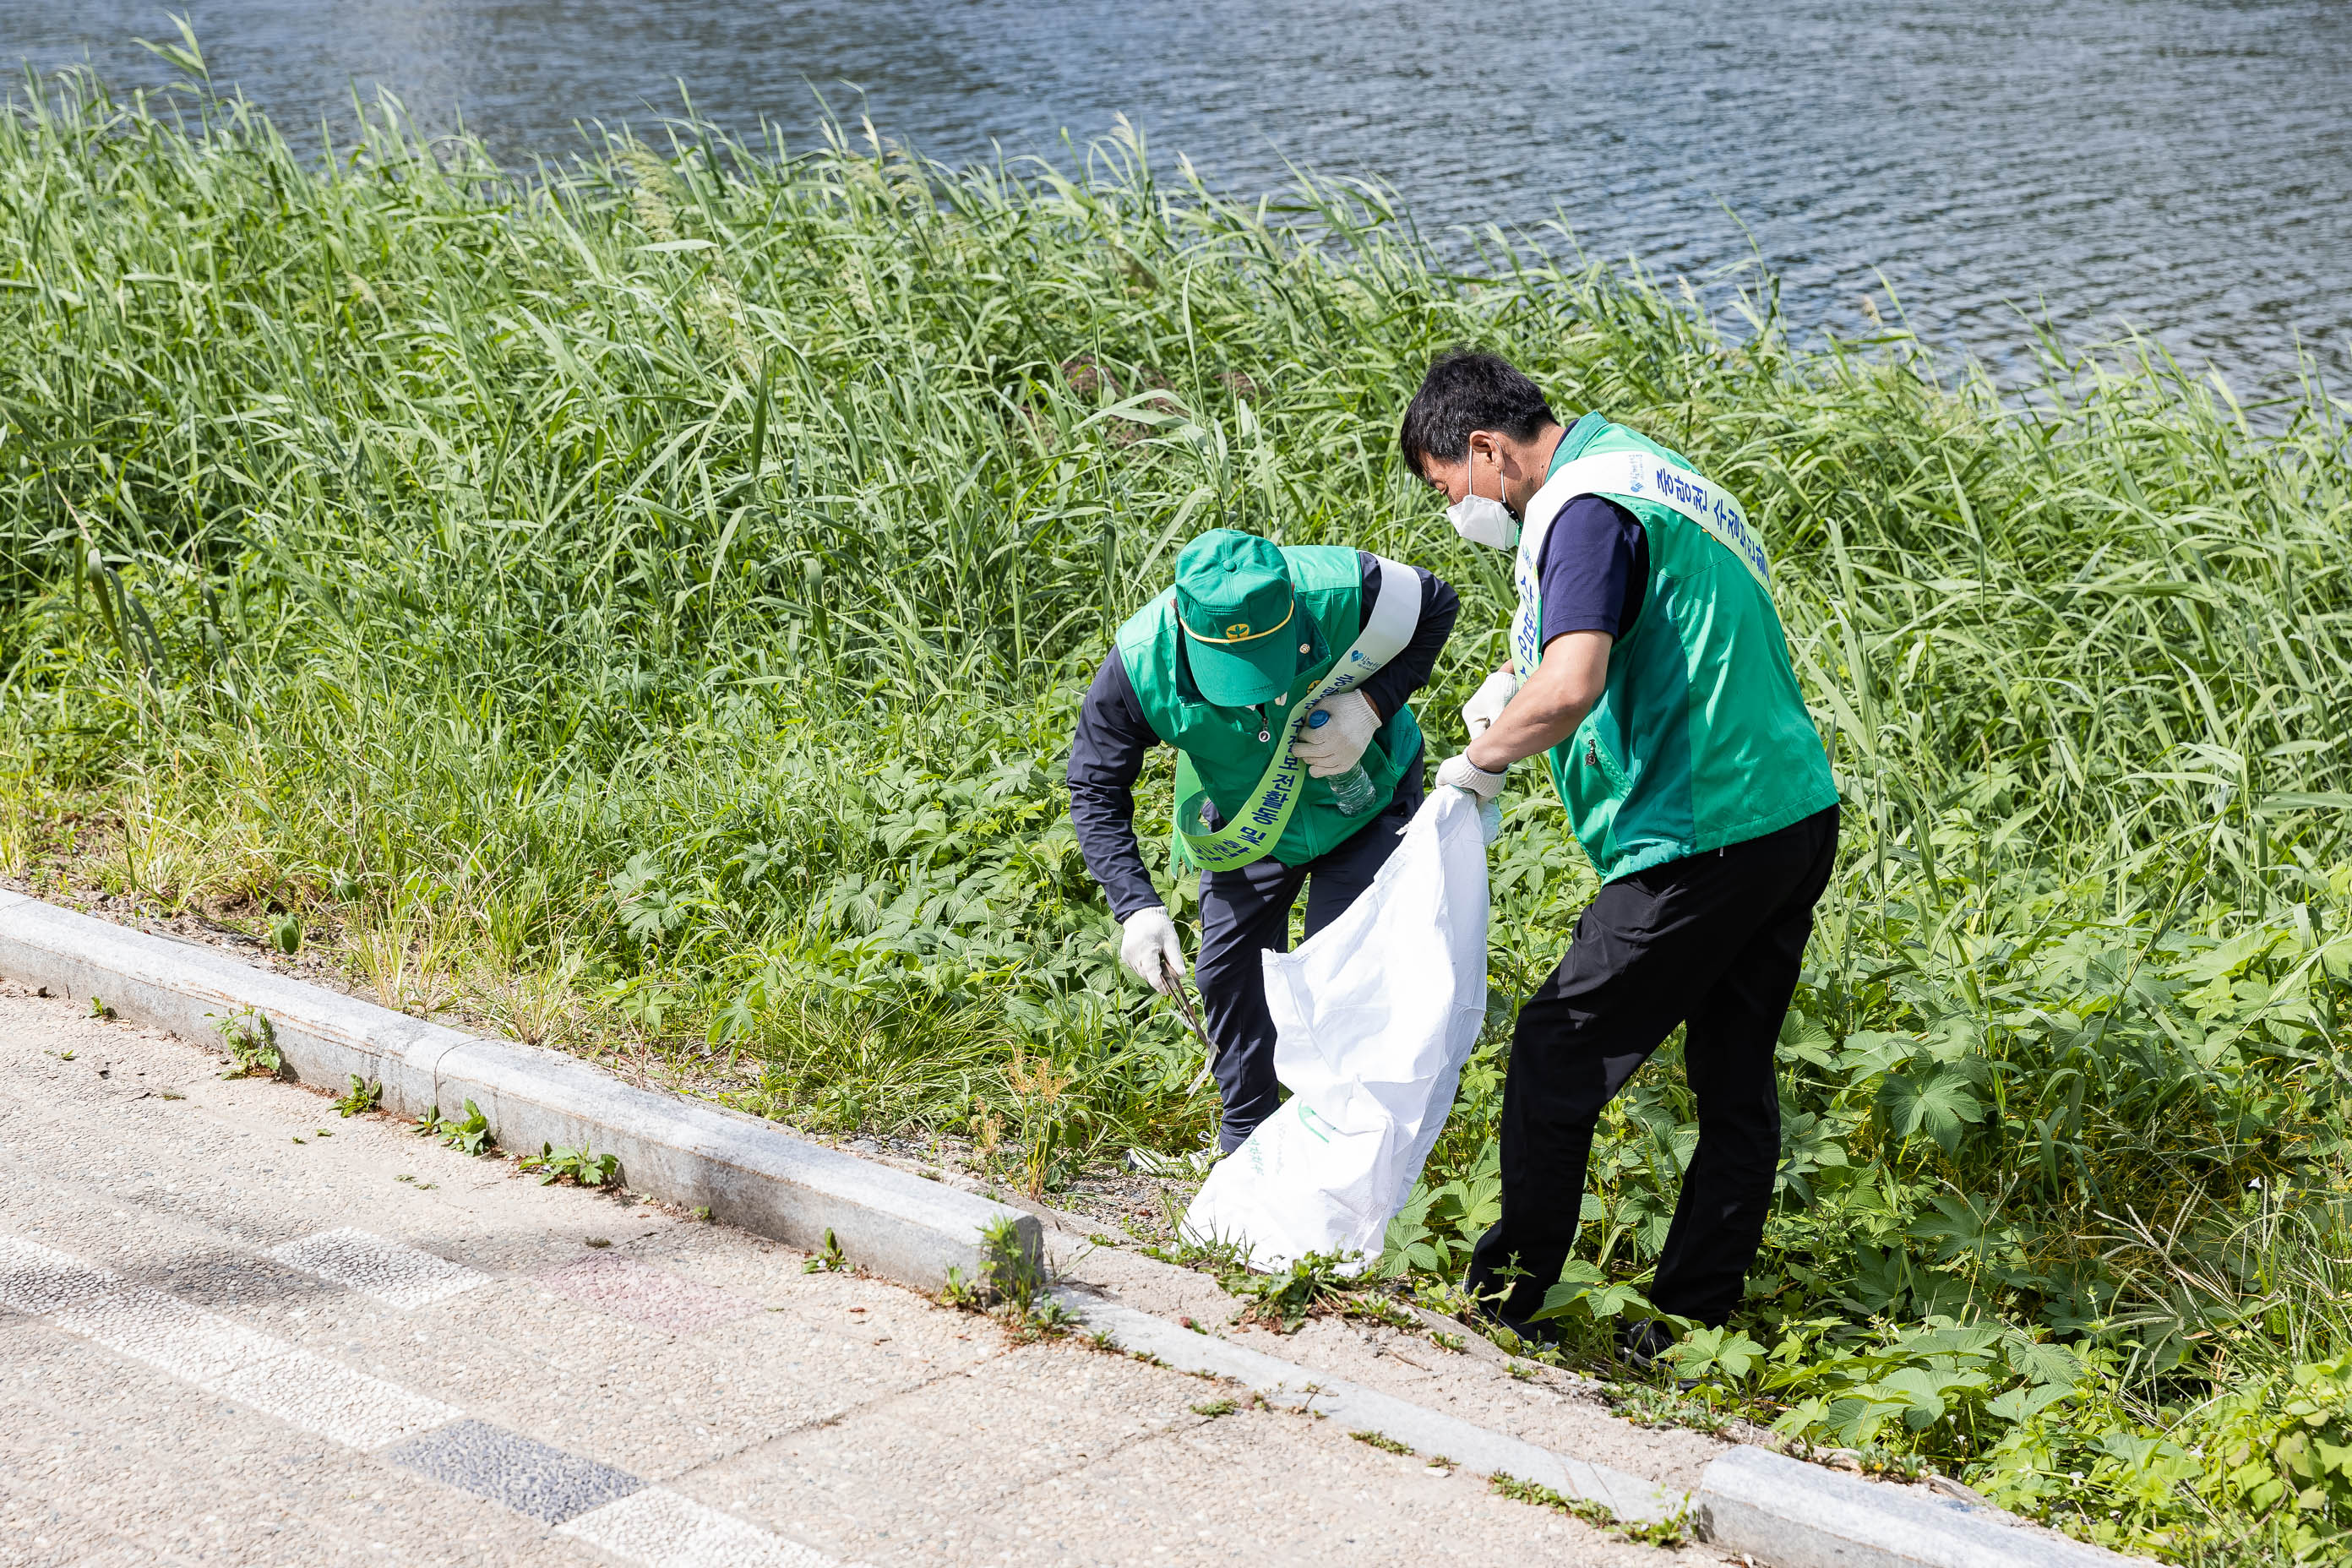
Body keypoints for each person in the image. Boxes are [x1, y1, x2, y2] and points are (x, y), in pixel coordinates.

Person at [1402, 349, 1840, 1358]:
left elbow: (1575, 682)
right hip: (1791, 810)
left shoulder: (1582, 507)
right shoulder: (1638, 467)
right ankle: (1692, 1324)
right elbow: (1615, 624)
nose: (1457, 509)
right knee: (1734, 1077)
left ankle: (1508, 1302)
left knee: (1557, 1047)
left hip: (1702, 834)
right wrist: (1506, 679)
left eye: (1448, 488)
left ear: (1486, 449)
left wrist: (1478, 760)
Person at [1068, 527, 1460, 1153]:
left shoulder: (1344, 587)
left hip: (1366, 794)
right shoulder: (1140, 664)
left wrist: (1372, 705)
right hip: (1251, 823)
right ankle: (1247, 1135)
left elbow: (1438, 602)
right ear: (1183, 628)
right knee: (1225, 973)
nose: (1265, 694)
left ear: (1294, 612)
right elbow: (1094, 785)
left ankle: (1347, 1140)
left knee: (1343, 972)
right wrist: (1135, 905)